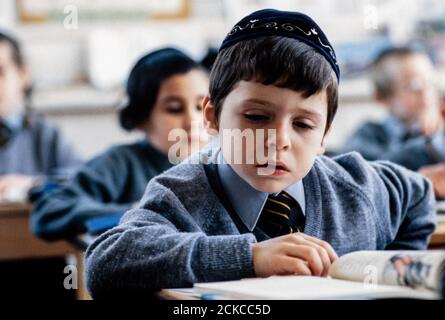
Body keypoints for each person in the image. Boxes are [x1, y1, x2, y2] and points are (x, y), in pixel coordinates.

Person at [84, 9, 437, 299]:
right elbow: (105, 263)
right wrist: (249, 257)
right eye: (256, 117)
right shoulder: (181, 192)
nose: (278, 140)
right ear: (212, 116)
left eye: (303, 125)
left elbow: (417, 196)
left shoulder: (353, 186)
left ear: (325, 135)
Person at [31, 48, 209, 241]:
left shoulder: (224, 166)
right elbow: (50, 210)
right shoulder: (122, 163)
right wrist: (135, 211)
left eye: (201, 107)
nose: (193, 121)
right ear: (140, 118)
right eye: (174, 109)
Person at [0, 31, 81, 201]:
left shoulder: (46, 133)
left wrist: (33, 184)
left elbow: (82, 179)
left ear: (23, 75)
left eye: (0, 72)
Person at [339, 47, 442, 162]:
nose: (426, 93)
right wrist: (431, 144)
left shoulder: (440, 129)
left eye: (430, 83)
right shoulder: (368, 135)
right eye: (414, 86)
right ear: (381, 97)